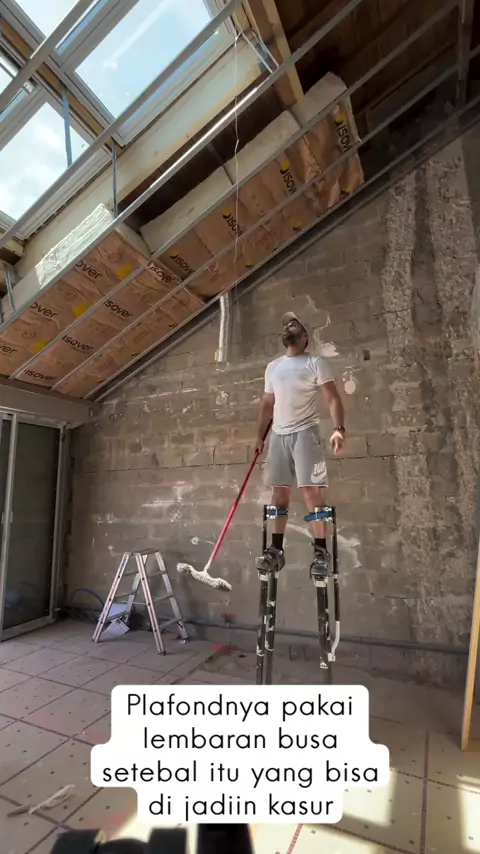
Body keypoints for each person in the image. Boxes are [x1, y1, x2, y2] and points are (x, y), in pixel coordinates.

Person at [254, 311, 346, 580]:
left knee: (311, 492)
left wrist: (339, 429)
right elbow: (267, 404)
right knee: (278, 493)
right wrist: (259, 436)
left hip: (306, 433)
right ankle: (276, 550)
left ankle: (321, 553)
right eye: (286, 325)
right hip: (278, 436)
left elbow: (333, 398)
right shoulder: (273, 367)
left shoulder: (315, 363)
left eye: (294, 324)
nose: (288, 326)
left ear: (305, 337)